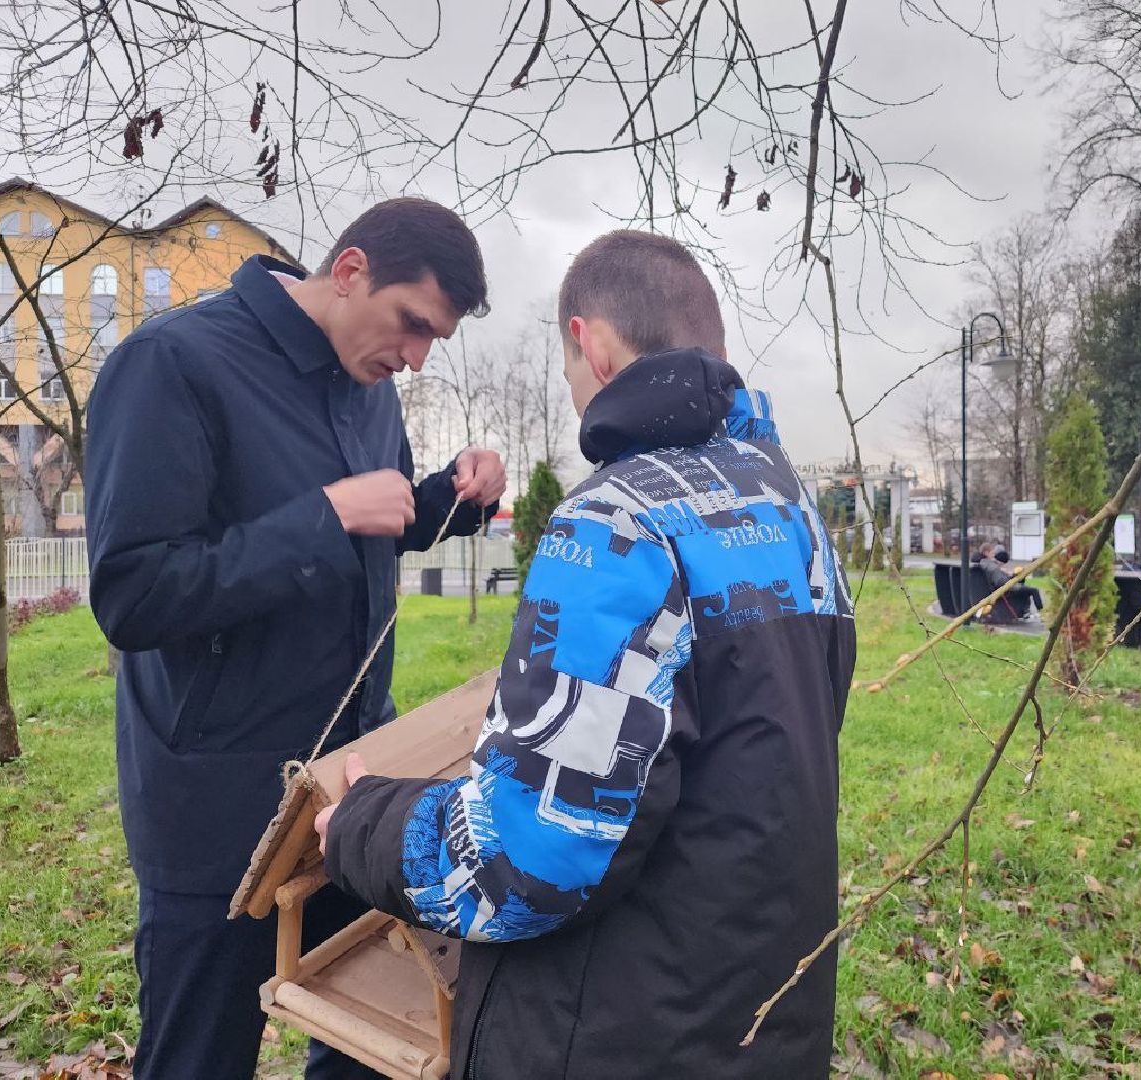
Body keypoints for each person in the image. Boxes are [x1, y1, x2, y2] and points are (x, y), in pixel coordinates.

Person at [315, 229, 857, 1078]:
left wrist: (363, 825)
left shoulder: (619, 522)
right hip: (757, 1015)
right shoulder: (788, 505)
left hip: (610, 1034)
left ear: (588, 343)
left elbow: (526, 863)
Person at [84, 198, 506, 1079]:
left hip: (347, 791)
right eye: (413, 325)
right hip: (218, 810)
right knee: (198, 1055)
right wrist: (322, 518)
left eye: (435, 340)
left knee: (365, 1047)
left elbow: (365, 536)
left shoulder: (367, 388)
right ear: (349, 272)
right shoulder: (171, 364)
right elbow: (135, 593)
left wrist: (446, 501)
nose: (418, 358)